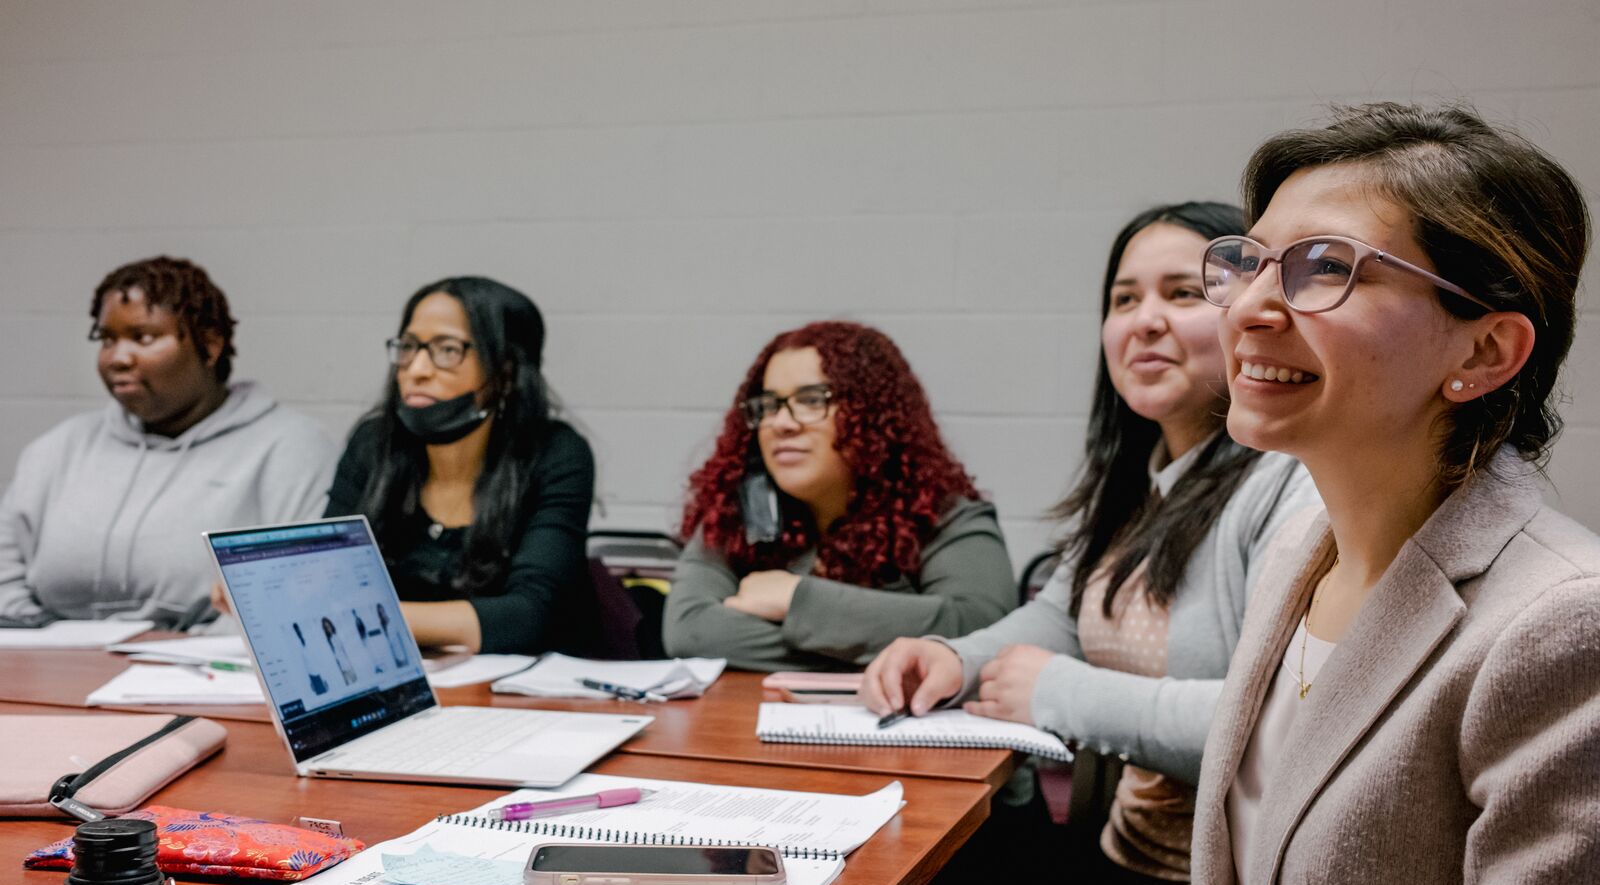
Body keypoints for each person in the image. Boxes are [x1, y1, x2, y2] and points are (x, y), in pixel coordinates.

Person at [1186, 103, 1600, 885]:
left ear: (1484, 351)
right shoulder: (1296, 555)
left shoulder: (1556, 626)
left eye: (1327, 268)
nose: (1247, 310)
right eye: (1252, 264)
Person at [862, 204, 1320, 885]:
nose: (1145, 321)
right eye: (1124, 299)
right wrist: (955, 658)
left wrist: (1055, 693)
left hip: (1223, 878)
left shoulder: (1291, 483)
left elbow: (1269, 724)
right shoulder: (1142, 479)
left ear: (1250, 313)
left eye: (1183, 293)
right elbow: (1062, 616)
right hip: (1121, 851)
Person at [0, 256, 336, 627]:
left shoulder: (290, 447)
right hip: (46, 668)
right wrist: (43, 640)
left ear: (209, 346)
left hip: (201, 671)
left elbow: (297, 591)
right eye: (107, 339)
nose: (118, 358)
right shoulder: (59, 448)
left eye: (143, 337)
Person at [662, 321, 1014, 671]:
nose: (782, 423)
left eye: (812, 400)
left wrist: (796, 599)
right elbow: (690, 631)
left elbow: (978, 627)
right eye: (769, 404)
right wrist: (874, 651)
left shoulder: (941, 513)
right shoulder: (737, 511)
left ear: (871, 414)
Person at [324, 276, 597, 655]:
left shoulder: (555, 453)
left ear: (505, 373)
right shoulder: (374, 444)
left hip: (527, 696)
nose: (416, 369)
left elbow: (530, 616)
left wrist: (358, 617)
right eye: (409, 347)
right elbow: (326, 579)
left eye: (447, 350)